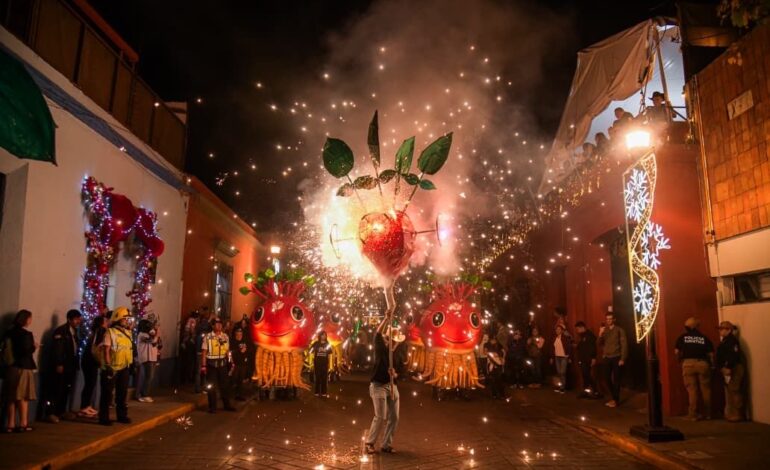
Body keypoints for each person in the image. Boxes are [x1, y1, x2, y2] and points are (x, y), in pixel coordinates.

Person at [365, 314, 405, 455]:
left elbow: (402, 370)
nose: (394, 343)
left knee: (394, 417)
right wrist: (386, 319)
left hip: (392, 386)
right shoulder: (381, 348)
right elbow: (377, 334)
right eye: (392, 340)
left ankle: (386, 445)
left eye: (396, 341)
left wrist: (395, 374)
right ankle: (370, 443)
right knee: (381, 416)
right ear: (388, 339)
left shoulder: (397, 354)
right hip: (378, 385)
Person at [3, 310, 37, 433]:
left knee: (11, 397)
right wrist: (34, 346)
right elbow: (26, 351)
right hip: (24, 367)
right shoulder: (26, 334)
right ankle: (23, 423)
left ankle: (10, 424)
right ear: (26, 319)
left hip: (11, 368)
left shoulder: (8, 333)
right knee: (23, 397)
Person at [99, 307, 134, 425]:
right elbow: (106, 350)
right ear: (119, 319)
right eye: (125, 319)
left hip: (124, 367)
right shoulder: (110, 332)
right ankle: (104, 418)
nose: (127, 321)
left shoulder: (128, 332)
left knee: (122, 393)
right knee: (107, 394)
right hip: (111, 368)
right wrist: (108, 366)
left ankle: (122, 416)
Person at [674, 317, 714, 420]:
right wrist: (712, 365)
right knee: (706, 389)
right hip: (703, 364)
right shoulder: (704, 338)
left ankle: (693, 414)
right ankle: (708, 414)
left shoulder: (683, 337)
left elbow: (677, 352)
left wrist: (680, 361)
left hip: (688, 364)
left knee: (692, 390)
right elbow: (711, 354)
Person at [47, 309, 82, 423]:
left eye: (79, 319)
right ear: (69, 319)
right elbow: (58, 349)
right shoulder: (61, 331)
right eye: (76, 319)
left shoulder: (74, 332)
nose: (78, 321)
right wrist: (59, 363)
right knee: (56, 389)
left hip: (70, 366)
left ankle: (61, 411)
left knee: (66, 389)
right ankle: (50, 412)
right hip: (62, 365)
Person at [201, 317, 235, 413]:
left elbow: (228, 351)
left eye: (220, 323)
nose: (219, 325)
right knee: (212, 387)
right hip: (212, 365)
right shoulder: (207, 337)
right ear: (212, 325)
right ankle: (212, 407)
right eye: (216, 323)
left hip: (223, 365)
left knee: (225, 386)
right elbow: (204, 352)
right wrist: (203, 366)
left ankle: (227, 405)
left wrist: (231, 362)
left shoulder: (225, 337)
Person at [79, 315, 107, 418]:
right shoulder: (101, 331)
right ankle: (84, 407)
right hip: (91, 361)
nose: (107, 322)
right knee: (90, 384)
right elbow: (99, 347)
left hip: (88, 361)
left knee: (90, 384)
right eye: (105, 321)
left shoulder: (94, 331)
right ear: (101, 323)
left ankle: (87, 405)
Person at [716, 321, 744, 422]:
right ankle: (731, 413)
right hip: (727, 368)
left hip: (733, 368)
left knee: (734, 390)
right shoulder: (725, 341)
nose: (720, 331)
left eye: (722, 329)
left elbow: (733, 355)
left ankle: (737, 414)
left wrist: (728, 367)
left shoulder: (732, 341)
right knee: (730, 391)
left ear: (729, 330)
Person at [598, 312, 627, 408]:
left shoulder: (619, 330)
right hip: (607, 357)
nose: (608, 321)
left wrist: (622, 358)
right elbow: (598, 343)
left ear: (614, 320)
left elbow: (624, 345)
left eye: (610, 319)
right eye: (607, 319)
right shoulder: (604, 330)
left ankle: (615, 400)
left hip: (616, 356)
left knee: (616, 379)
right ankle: (613, 397)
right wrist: (600, 334)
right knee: (606, 378)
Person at [135, 317, 161, 403]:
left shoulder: (149, 333)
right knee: (148, 377)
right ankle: (143, 394)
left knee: (150, 377)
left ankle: (144, 394)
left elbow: (157, 342)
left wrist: (156, 330)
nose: (150, 327)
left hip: (152, 358)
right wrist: (157, 334)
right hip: (146, 358)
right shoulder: (142, 334)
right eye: (148, 325)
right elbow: (153, 341)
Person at [575, 321, 599, 398]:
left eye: (578, 329)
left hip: (588, 359)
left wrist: (593, 358)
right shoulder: (582, 336)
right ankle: (586, 392)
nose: (577, 331)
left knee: (587, 375)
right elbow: (580, 347)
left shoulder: (590, 335)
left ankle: (595, 391)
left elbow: (593, 347)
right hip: (582, 359)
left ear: (582, 327)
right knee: (584, 375)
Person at [230, 327, 253, 401]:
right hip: (235, 364)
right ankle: (231, 394)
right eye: (238, 334)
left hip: (243, 364)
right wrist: (239, 351)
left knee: (241, 380)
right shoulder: (232, 342)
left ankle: (239, 395)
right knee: (234, 380)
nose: (239, 335)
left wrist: (246, 353)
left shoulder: (244, 341)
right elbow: (230, 352)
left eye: (241, 334)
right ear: (235, 334)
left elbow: (249, 350)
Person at [550, 325, 572, 393]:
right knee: (559, 372)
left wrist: (569, 357)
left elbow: (569, 347)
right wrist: (551, 357)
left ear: (562, 330)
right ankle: (560, 386)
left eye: (559, 329)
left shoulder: (565, 338)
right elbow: (552, 348)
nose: (557, 331)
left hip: (564, 357)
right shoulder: (554, 338)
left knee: (562, 372)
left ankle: (563, 387)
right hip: (557, 357)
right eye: (556, 329)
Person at [194, 309, 212, 393]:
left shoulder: (204, 334)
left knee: (203, 371)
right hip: (200, 353)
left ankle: (202, 387)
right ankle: (199, 388)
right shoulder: (201, 335)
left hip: (203, 354)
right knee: (199, 371)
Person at [311, 331, 331, 397]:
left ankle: (323, 392)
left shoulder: (327, 344)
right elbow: (311, 351)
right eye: (322, 335)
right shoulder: (316, 343)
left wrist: (329, 364)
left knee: (324, 378)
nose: (324, 336)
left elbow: (329, 354)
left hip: (325, 363)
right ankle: (316, 392)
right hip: (317, 363)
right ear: (320, 336)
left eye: (325, 335)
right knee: (317, 377)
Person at [179, 311, 198, 385]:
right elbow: (191, 331)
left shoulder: (188, 321)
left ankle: (184, 379)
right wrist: (192, 338)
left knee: (186, 361)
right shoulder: (192, 321)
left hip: (186, 343)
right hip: (189, 344)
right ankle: (187, 379)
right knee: (189, 362)